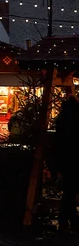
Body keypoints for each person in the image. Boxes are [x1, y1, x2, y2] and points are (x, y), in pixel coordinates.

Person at [54, 95, 79, 232]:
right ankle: (68, 221)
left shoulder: (62, 117)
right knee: (70, 192)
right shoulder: (74, 117)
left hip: (65, 159)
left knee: (69, 191)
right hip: (73, 159)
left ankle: (68, 220)